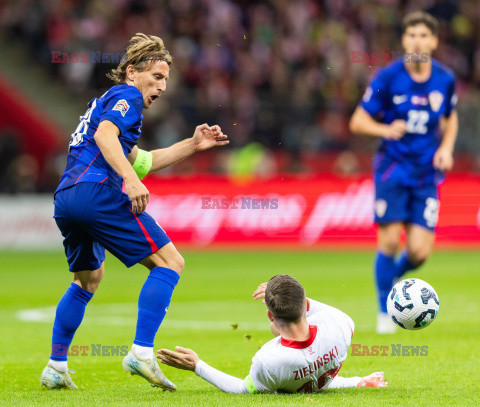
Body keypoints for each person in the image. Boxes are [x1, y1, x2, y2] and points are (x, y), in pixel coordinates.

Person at [40, 33, 229, 390]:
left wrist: (192, 144)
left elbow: (141, 160)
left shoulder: (107, 105)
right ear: (131, 73)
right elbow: (106, 139)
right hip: (96, 191)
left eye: (166, 81)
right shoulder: (127, 97)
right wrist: (131, 182)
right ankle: (141, 352)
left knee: (86, 280)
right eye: (156, 77)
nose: (161, 86)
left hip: (67, 197)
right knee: (171, 262)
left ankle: (56, 366)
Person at [349, 12, 458, 334]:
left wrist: (446, 148)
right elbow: (357, 122)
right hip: (392, 170)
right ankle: (386, 311)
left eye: (424, 36)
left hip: (427, 173)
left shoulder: (445, 79)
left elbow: (450, 118)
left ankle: (393, 281)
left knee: (420, 252)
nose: (417, 41)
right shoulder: (387, 78)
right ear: (404, 41)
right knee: (389, 242)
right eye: (411, 35)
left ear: (434, 41)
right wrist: (384, 128)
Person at [157, 275, 386, 394]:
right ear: (306, 306)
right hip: (326, 377)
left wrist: (196, 365)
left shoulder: (269, 360)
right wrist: (356, 381)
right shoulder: (341, 323)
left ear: (270, 316)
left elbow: (241, 389)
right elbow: (316, 375)